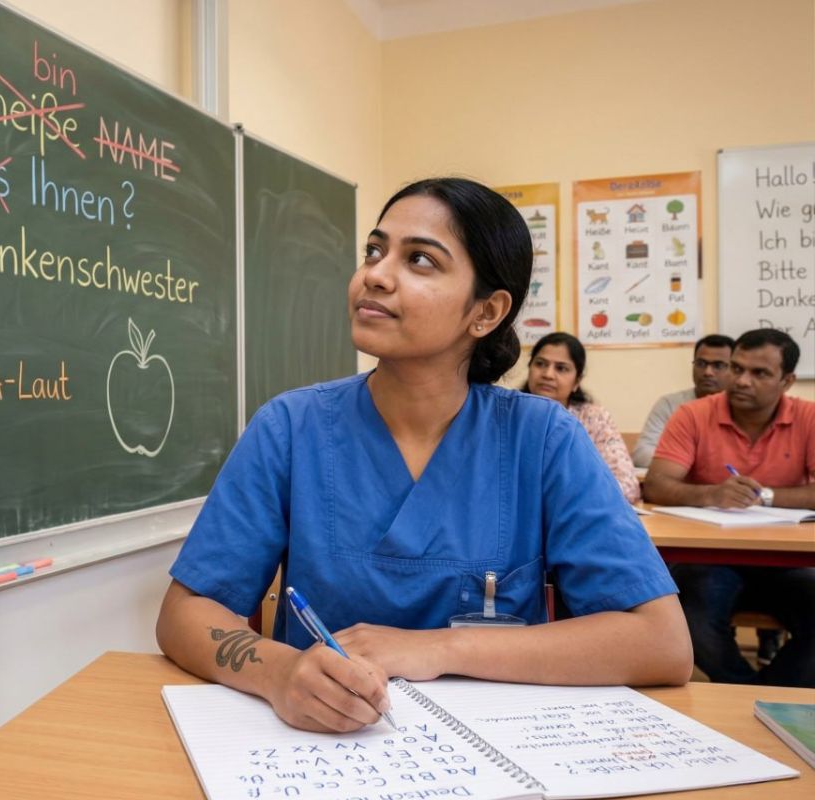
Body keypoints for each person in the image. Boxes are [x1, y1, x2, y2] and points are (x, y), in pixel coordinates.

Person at [156, 178, 691, 734]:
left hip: (505, 751)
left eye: (419, 260)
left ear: (485, 312)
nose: (375, 275)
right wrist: (281, 672)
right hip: (323, 752)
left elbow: (661, 641)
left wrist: (439, 649)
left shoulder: (544, 438)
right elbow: (185, 613)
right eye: (373, 251)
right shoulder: (291, 427)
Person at [643, 328, 815, 687]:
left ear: (787, 381)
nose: (742, 381)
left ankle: (769, 695)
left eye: (759, 373)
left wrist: (764, 496)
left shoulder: (809, 418)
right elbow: (658, 483)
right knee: (691, 613)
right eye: (736, 368)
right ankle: (747, 693)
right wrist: (710, 495)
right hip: (710, 557)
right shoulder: (693, 414)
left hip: (789, 560)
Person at [522, 332, 641, 504]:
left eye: (561, 368)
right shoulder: (508, 414)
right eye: (540, 364)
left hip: (576, 513)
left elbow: (628, 485)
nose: (548, 374)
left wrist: (568, 499)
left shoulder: (594, 418)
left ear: (577, 381)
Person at [632, 335, 735, 467]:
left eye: (718, 365)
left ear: (735, 369)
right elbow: (642, 453)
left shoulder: (741, 407)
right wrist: (683, 465)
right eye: (701, 364)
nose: (708, 372)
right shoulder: (669, 404)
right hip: (679, 481)